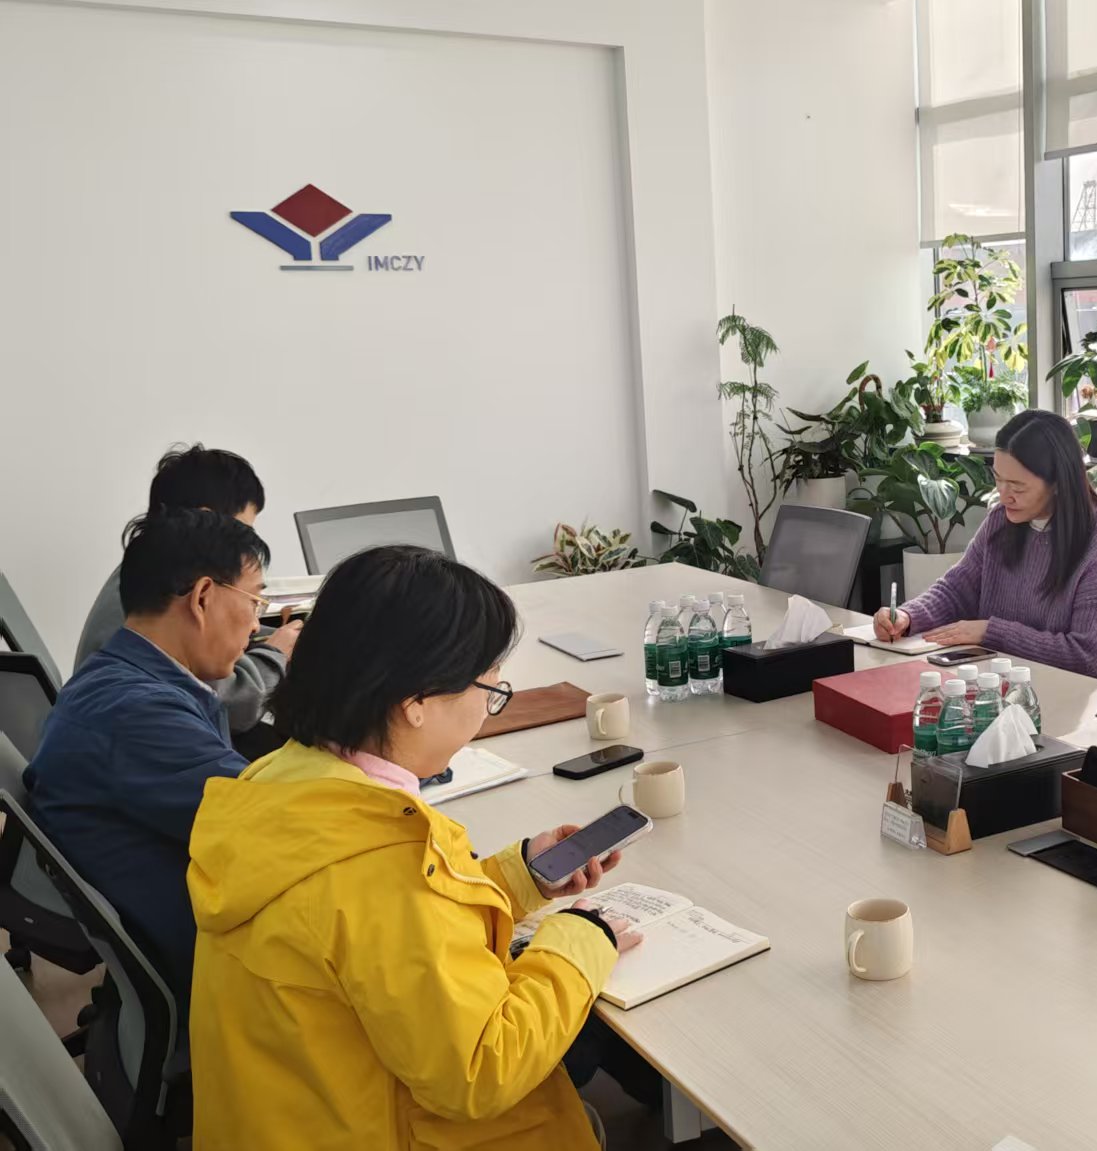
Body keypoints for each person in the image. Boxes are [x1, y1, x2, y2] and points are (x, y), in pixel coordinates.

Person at [188, 546, 643, 1150]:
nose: (490, 704)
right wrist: (579, 941)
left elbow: (387, 935)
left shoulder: (281, 785)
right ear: (416, 704)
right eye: (490, 687)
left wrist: (517, 876)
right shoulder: (381, 864)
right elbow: (480, 1070)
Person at [26, 508, 265, 1011]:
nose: (256, 624)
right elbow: (273, 822)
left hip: (194, 939)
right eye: (255, 601)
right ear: (203, 597)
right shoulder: (134, 712)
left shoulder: (124, 680)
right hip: (218, 977)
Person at [876, 410, 1097, 678]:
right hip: (1004, 680)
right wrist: (908, 616)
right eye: (998, 480)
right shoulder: (1001, 520)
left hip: (1088, 695)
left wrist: (991, 633)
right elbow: (958, 589)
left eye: (1018, 487)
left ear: (1058, 483)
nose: (1004, 495)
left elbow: (1091, 656)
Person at [74, 444, 301, 750]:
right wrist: (274, 657)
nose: (248, 545)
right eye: (243, 531)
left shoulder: (143, 574)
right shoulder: (150, 703)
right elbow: (230, 705)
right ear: (207, 520)